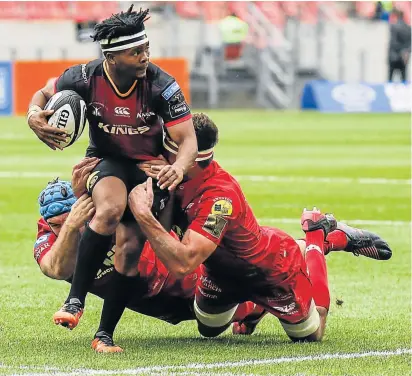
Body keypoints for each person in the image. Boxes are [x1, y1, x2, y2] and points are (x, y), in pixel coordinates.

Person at [129, 113, 392, 341]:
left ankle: (319, 238)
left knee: (312, 333)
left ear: (190, 158)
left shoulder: (219, 198)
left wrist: (144, 215)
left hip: (269, 272)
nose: (160, 153)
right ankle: (255, 307)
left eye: (170, 146)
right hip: (220, 273)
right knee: (208, 329)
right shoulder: (175, 171)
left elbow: (184, 262)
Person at [26, 5, 198, 350]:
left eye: (147, 48)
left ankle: (104, 335)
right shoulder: (84, 77)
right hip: (104, 163)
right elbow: (43, 94)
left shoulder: (162, 85)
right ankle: (74, 301)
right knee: (108, 209)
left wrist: (177, 168)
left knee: (130, 248)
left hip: (148, 167)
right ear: (113, 56)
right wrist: (34, 115)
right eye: (136, 51)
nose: (145, 56)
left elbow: (188, 140)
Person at [34, 173, 263, 352]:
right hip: (147, 300)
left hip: (181, 277)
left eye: (71, 219)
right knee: (208, 325)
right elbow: (54, 269)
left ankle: (285, 261)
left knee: (222, 315)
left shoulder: (104, 213)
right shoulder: (50, 238)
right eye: (56, 224)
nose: (64, 227)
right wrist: (71, 226)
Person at [388, 9, 411, 82]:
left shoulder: (394, 27)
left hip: (394, 57)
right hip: (404, 57)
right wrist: (405, 51)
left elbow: (393, 43)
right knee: (404, 79)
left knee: (390, 80)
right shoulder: (408, 28)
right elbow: (410, 43)